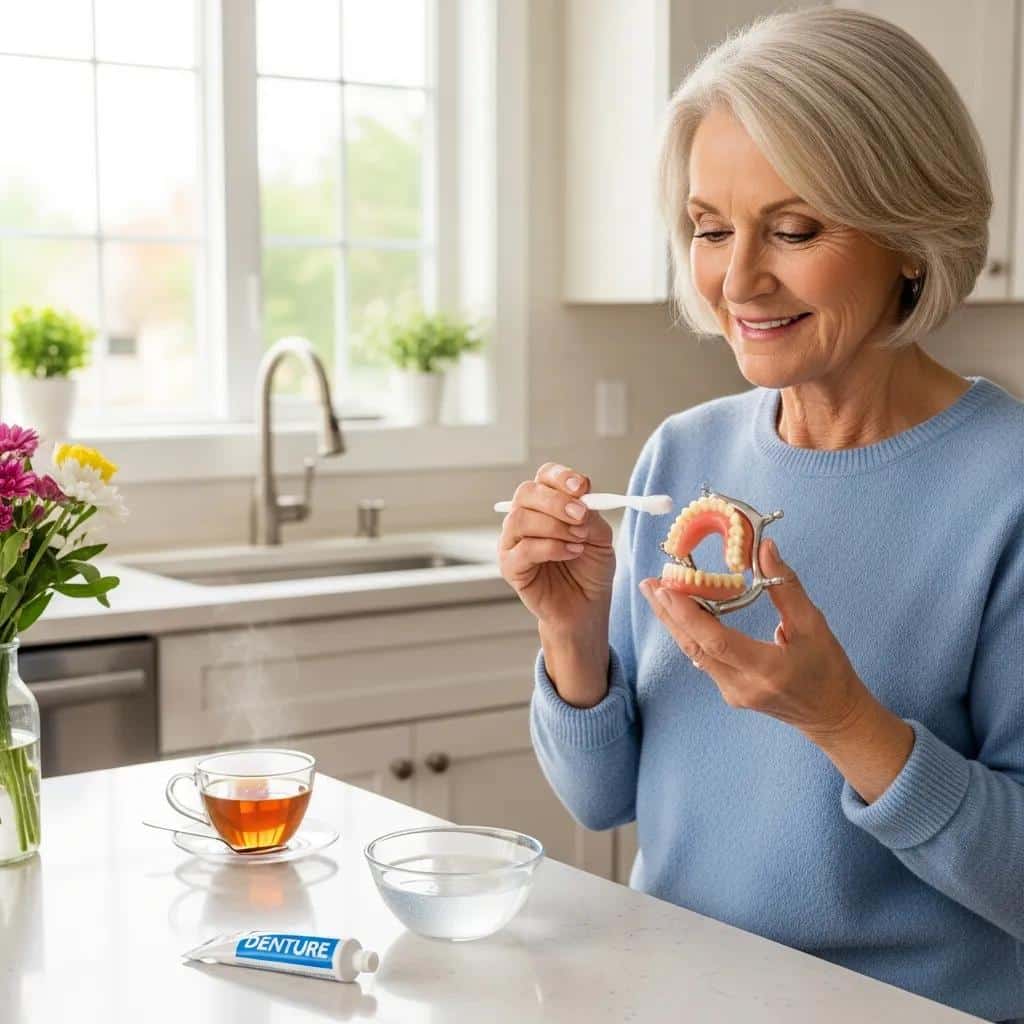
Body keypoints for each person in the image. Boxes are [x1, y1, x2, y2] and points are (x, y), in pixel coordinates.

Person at [498, 9, 1024, 1022]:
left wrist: (845, 723)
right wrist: (571, 640)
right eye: (708, 229)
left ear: (909, 235)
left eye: (793, 230)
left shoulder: (1005, 487)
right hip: (672, 991)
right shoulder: (682, 456)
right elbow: (602, 802)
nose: (738, 280)